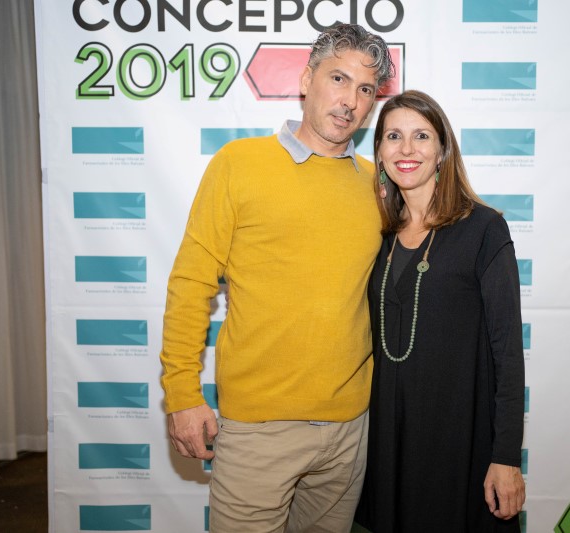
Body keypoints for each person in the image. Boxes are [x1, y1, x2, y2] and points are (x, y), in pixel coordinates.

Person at [159, 24, 395, 532]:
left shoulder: (376, 184)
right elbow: (192, 282)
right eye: (338, 78)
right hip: (258, 431)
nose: (350, 101)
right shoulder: (239, 164)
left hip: (349, 429)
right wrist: (181, 394)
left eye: (365, 89)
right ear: (307, 80)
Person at [355, 90, 526, 532]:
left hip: (460, 445)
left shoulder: (484, 229)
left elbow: (508, 353)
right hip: (388, 445)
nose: (406, 149)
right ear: (379, 152)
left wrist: (506, 457)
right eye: (393, 136)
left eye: (421, 136)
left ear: (442, 151)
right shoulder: (378, 235)